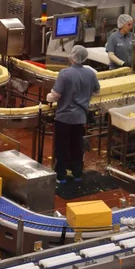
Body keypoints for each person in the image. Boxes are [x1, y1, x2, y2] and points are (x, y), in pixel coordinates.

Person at [47, 45, 100, 184]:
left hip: (64, 118)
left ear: (72, 57)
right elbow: (96, 91)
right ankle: (77, 174)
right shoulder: (90, 73)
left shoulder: (65, 73)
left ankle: (61, 176)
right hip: (80, 118)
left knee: (62, 146)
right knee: (77, 146)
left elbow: (55, 95)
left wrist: (48, 98)